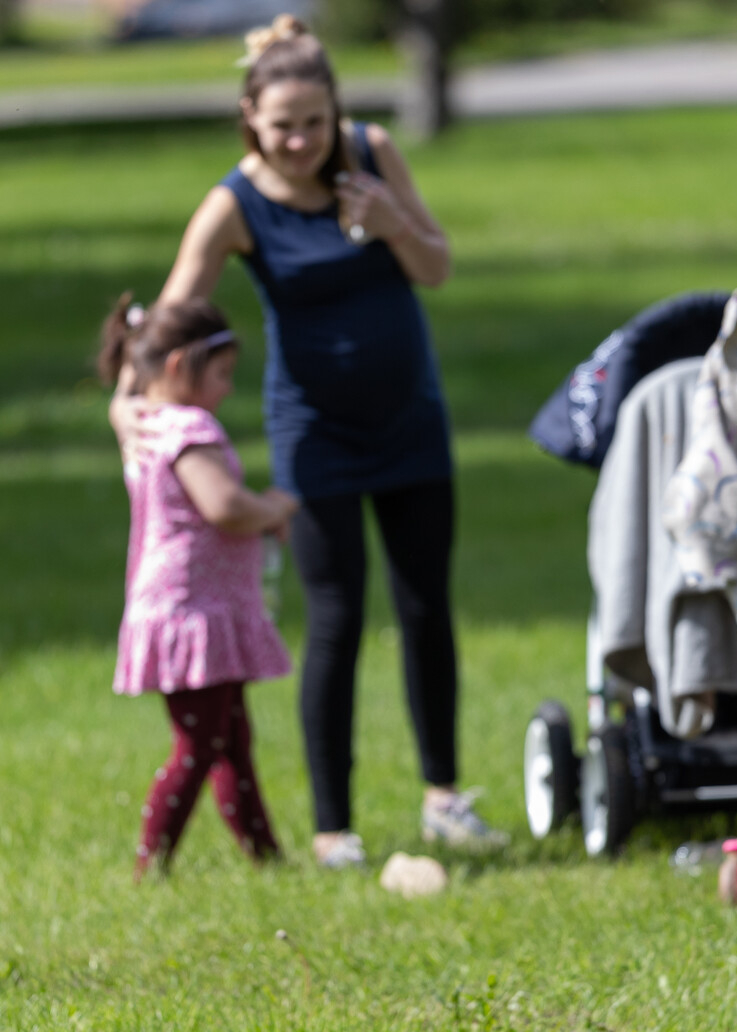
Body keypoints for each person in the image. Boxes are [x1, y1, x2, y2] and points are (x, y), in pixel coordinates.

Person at [114, 14, 502, 869]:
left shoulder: (371, 155)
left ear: (337, 115)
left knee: (425, 605)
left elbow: (435, 267)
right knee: (336, 619)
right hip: (316, 435)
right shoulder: (234, 204)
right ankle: (335, 829)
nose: (301, 141)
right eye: (282, 124)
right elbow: (170, 321)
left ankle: (444, 797)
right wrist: (124, 402)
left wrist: (392, 220)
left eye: (315, 123)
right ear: (250, 114)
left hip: (412, 420)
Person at [102, 293, 299, 880]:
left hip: (189, 605)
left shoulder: (146, 425)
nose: (227, 389)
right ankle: (150, 864)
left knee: (231, 738)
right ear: (178, 365)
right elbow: (223, 505)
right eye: (221, 375)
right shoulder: (188, 427)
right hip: (194, 609)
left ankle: (268, 860)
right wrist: (274, 506)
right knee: (198, 746)